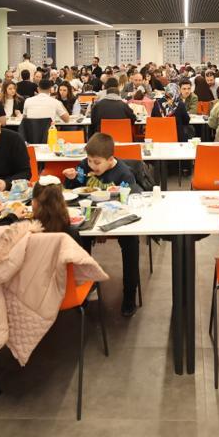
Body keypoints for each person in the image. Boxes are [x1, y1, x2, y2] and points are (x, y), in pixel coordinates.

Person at [62, 133, 142, 316]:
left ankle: (129, 294)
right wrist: (71, 178)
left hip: (116, 216)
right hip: (89, 214)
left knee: (131, 242)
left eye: (97, 162)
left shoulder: (123, 173)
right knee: (76, 237)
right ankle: (83, 287)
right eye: (89, 160)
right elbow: (72, 191)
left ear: (110, 159)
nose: (91, 166)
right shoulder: (84, 166)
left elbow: (132, 197)